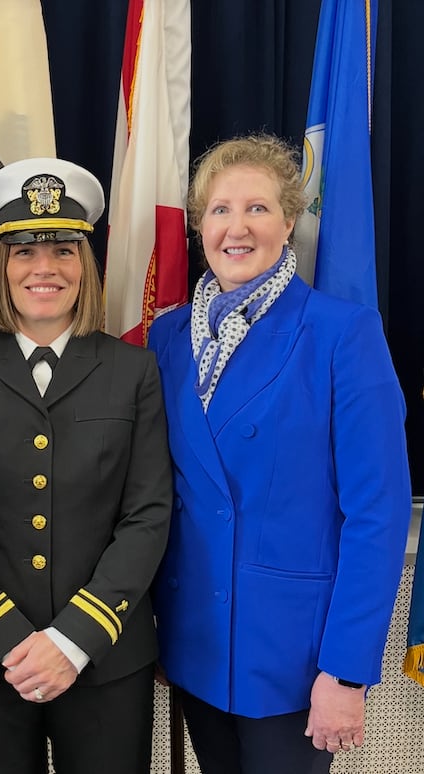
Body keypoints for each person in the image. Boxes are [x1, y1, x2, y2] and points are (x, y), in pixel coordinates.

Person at [147, 134, 411, 774]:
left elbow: (377, 514)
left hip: (296, 658)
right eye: (219, 210)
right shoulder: (167, 337)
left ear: (290, 220)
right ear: (198, 225)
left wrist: (346, 673)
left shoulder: (342, 333)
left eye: (258, 209)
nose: (237, 227)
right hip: (197, 644)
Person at [0, 157, 173, 773]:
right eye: (23, 251)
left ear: (83, 267)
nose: (44, 268)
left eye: (62, 250)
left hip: (106, 657)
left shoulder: (132, 370)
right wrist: (7, 639)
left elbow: (148, 513)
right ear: (0, 268)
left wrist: (73, 640)